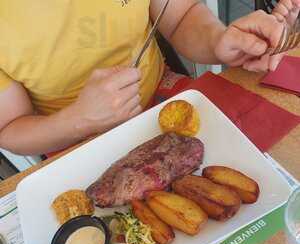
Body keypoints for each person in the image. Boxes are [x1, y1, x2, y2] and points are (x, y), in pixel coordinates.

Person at [0, 0, 299, 156]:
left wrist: (219, 42)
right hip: (70, 139)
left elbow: (181, 16)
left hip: (164, 95)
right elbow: (11, 128)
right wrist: (80, 120)